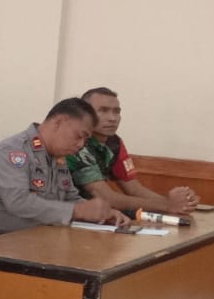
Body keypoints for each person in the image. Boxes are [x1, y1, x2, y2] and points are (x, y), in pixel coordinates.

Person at [0, 99, 129, 236]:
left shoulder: (58, 157)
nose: (80, 145)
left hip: (31, 240)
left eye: (85, 140)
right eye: (79, 136)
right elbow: (18, 202)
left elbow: (69, 198)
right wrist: (77, 211)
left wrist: (104, 212)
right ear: (59, 122)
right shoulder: (14, 151)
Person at [67, 87, 200, 216]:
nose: (112, 118)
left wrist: (179, 203)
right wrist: (167, 205)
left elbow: (134, 189)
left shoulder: (114, 143)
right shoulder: (78, 143)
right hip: (68, 213)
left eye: (116, 111)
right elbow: (107, 198)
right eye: (103, 110)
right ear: (85, 114)